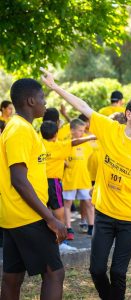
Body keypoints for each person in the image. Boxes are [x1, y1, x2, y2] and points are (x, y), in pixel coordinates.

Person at [40, 67, 131, 300]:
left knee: (118, 271)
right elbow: (84, 107)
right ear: (128, 114)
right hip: (105, 215)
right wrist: (55, 88)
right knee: (96, 270)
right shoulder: (109, 130)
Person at [0, 78, 67, 300]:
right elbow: (19, 179)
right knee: (54, 272)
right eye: (41, 98)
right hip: (28, 216)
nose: (45, 103)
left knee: (13, 276)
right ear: (30, 100)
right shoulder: (19, 129)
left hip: (14, 216)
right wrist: (50, 218)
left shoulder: (22, 128)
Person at [40, 120, 96, 250]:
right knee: (59, 212)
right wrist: (92, 137)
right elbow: (74, 142)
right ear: (55, 134)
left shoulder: (39, 144)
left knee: (44, 210)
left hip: (39, 181)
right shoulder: (59, 146)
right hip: (53, 182)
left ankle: (46, 240)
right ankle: (62, 243)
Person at [62, 118, 95, 239]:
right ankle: (68, 228)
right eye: (80, 130)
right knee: (68, 203)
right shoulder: (66, 144)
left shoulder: (87, 144)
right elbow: (59, 157)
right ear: (72, 131)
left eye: (83, 130)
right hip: (69, 179)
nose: (82, 133)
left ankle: (91, 227)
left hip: (84, 178)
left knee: (89, 202)